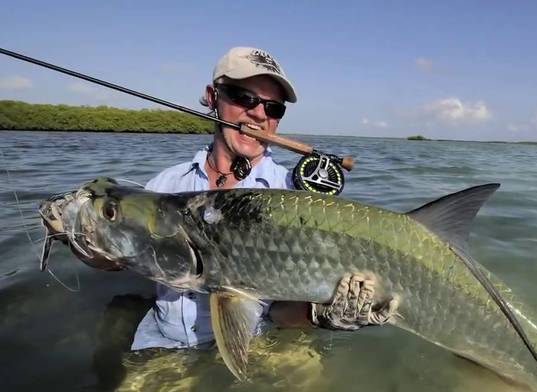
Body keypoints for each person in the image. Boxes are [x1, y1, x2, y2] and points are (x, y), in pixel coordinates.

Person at [131, 47, 395, 351]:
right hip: (162, 340)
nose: (259, 114)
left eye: (274, 108)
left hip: (262, 342)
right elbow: (116, 253)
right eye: (245, 98)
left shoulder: (294, 198)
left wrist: (321, 314)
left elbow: (282, 313)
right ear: (213, 97)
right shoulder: (164, 185)